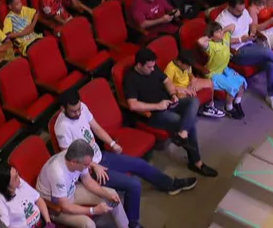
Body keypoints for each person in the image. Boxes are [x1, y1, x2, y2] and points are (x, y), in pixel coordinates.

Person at [54, 89, 198, 221]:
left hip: (100, 155)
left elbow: (96, 128)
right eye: (73, 111)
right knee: (134, 185)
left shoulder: (82, 107)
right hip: (88, 169)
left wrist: (112, 144)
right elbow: (70, 156)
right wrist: (94, 165)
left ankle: (170, 185)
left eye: (79, 109)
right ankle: (133, 224)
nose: (78, 113)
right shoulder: (62, 127)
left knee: (140, 164)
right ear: (62, 109)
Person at [121, 48, 218, 177]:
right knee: (187, 123)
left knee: (193, 101)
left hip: (168, 102)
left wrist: (173, 94)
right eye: (149, 67)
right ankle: (196, 162)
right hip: (154, 113)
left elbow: (167, 81)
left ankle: (182, 135)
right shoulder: (130, 78)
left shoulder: (153, 69)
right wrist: (157, 106)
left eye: (154, 66)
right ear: (139, 65)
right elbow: (132, 105)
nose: (153, 69)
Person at [214, 0, 273, 112]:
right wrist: (241, 39)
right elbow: (219, 41)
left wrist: (253, 31)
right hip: (236, 52)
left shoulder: (243, 11)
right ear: (230, 7)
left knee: (271, 63)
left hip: (250, 45)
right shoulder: (221, 20)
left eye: (242, 9)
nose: (241, 13)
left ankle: (271, 96)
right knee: (267, 52)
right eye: (238, 11)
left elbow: (252, 25)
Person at [36, 139, 130, 228]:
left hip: (71, 190)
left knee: (112, 195)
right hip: (55, 206)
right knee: (88, 224)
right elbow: (65, 206)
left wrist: (107, 195)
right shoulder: (58, 173)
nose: (89, 167)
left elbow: (88, 181)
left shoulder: (75, 157)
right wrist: (93, 211)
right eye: (86, 165)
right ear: (74, 162)